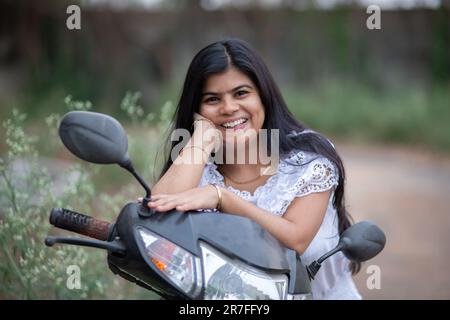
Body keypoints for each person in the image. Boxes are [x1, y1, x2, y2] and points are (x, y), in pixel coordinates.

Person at [147, 38, 362, 300]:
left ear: (263, 96)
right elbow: (156, 224)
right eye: (213, 99)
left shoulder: (307, 159)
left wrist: (222, 197)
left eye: (241, 93)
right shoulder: (197, 169)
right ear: (196, 109)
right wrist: (202, 138)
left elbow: (294, 240)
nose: (228, 108)